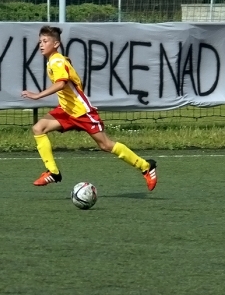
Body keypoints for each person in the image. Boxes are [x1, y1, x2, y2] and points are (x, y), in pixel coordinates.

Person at [21, 25, 157, 191]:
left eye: (45, 41)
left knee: (106, 145)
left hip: (82, 112)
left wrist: (37, 95)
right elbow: (76, 82)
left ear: (56, 44)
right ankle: (53, 172)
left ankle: (145, 166)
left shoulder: (57, 61)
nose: (41, 44)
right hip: (66, 110)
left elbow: (61, 83)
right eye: (40, 41)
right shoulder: (57, 60)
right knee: (38, 128)